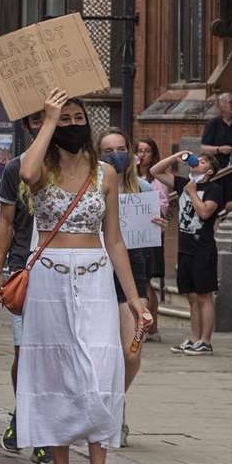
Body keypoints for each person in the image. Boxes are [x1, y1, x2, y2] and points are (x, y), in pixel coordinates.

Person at [14, 90, 150, 464]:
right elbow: (26, 170)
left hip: (94, 279)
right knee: (56, 373)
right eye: (65, 118)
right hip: (50, 280)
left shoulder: (106, 173)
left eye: (78, 117)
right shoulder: (42, 167)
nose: (73, 124)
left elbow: (115, 239)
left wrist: (133, 300)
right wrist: (49, 120)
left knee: (99, 369)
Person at [0, 109, 52, 464]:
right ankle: (26, 414)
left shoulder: (79, 170)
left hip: (65, 272)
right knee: (25, 354)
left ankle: (40, 427)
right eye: (35, 122)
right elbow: (6, 222)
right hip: (24, 272)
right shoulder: (16, 170)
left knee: (51, 355)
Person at [151, 145, 226, 356]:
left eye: (202, 162)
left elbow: (204, 213)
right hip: (185, 249)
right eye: (197, 160)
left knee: (203, 296)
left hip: (203, 248)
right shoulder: (184, 183)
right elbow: (155, 171)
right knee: (191, 297)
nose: (197, 163)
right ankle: (193, 338)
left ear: (210, 171)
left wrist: (192, 193)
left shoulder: (213, 189)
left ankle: (205, 341)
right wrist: (177, 156)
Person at [98, 130, 151, 410]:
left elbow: (149, 236)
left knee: (132, 353)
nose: (115, 155)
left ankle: (115, 406)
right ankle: (104, 410)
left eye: (120, 148)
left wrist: (156, 226)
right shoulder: (91, 187)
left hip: (133, 273)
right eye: (108, 150)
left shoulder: (142, 189)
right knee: (103, 355)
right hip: (99, 273)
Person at [134, 136, 169, 338]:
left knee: (147, 282)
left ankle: (152, 327)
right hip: (134, 235)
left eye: (146, 151)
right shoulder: (130, 176)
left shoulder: (157, 179)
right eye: (139, 150)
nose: (142, 155)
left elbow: (162, 204)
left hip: (150, 235)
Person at [199, 91, 232, 163]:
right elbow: (203, 148)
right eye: (230, 102)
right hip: (219, 167)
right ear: (221, 106)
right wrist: (219, 149)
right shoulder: (213, 123)